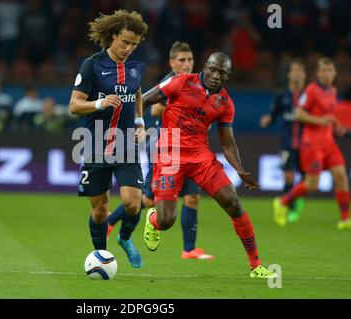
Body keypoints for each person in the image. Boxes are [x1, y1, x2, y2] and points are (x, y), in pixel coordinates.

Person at [140, 52, 277, 278]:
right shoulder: (181, 82)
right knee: (166, 221)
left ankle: (255, 266)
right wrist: (137, 124)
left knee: (234, 204)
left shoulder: (225, 103)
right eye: (212, 69)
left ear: (228, 76)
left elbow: (228, 144)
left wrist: (240, 170)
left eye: (221, 73)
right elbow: (144, 99)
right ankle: (153, 220)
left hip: (200, 156)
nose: (215, 75)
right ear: (206, 66)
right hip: (169, 154)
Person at [107, 41, 214, 260]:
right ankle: (110, 221)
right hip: (167, 148)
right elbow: (155, 109)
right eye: (182, 60)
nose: (187, 64)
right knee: (148, 200)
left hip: (191, 149)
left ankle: (189, 249)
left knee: (192, 197)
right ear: (172, 62)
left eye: (190, 60)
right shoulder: (170, 81)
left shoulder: (196, 84)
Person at [68, 10, 148, 268]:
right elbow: (74, 105)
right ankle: (102, 258)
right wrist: (101, 102)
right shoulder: (92, 65)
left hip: (126, 144)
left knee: (133, 204)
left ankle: (125, 238)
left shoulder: (136, 68)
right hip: (94, 144)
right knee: (100, 210)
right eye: (125, 42)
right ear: (113, 36)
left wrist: (139, 122)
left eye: (134, 44)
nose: (129, 48)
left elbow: (136, 93)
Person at [273, 58, 350, 230]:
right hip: (312, 143)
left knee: (341, 176)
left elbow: (330, 115)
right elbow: (298, 114)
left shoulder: (333, 91)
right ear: (318, 73)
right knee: (312, 184)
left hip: (329, 142)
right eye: (324, 71)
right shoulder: (311, 90)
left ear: (335, 73)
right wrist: (320, 120)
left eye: (330, 71)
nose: (327, 74)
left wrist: (336, 125)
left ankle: (345, 219)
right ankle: (282, 201)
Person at [260, 59, 306, 224]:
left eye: (300, 71)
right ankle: (286, 208)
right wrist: (268, 119)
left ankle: (296, 205)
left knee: (306, 180)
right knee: (288, 176)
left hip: (306, 144)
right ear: (288, 75)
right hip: (287, 143)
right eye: (294, 70)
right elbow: (274, 113)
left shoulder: (309, 95)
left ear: (305, 75)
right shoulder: (282, 95)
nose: (297, 74)